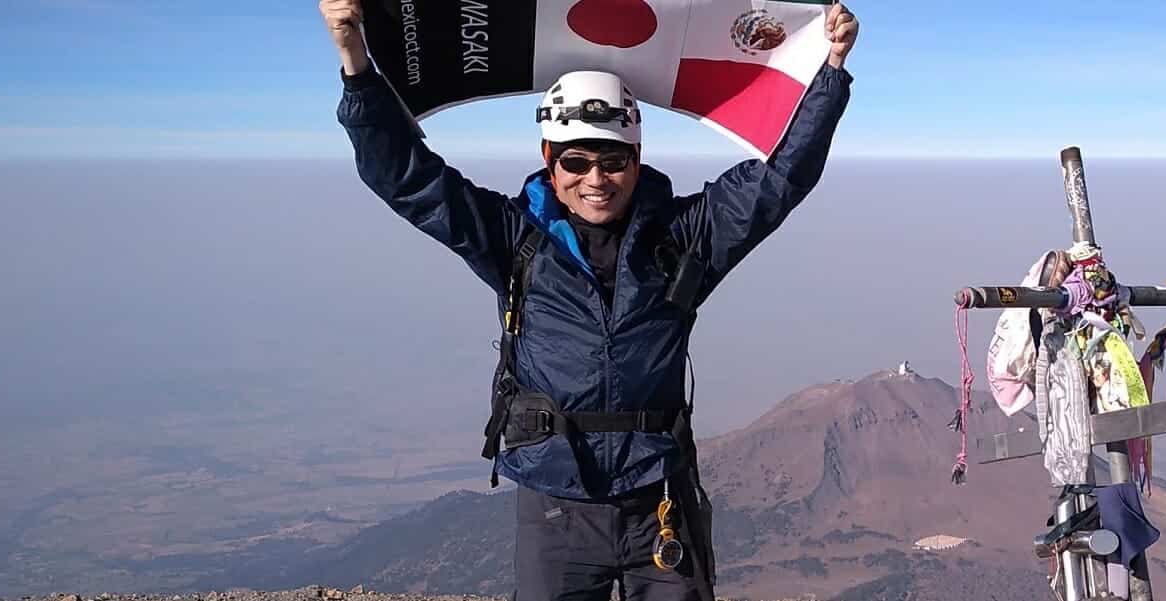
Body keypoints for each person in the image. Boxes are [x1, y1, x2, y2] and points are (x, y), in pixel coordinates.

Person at [318, 1, 857, 599]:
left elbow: (781, 179)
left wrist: (830, 70)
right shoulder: (514, 240)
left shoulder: (685, 238)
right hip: (556, 504)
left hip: (659, 497)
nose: (595, 178)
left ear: (636, 159)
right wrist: (354, 60)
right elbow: (406, 178)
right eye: (575, 161)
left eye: (612, 160)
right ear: (550, 164)